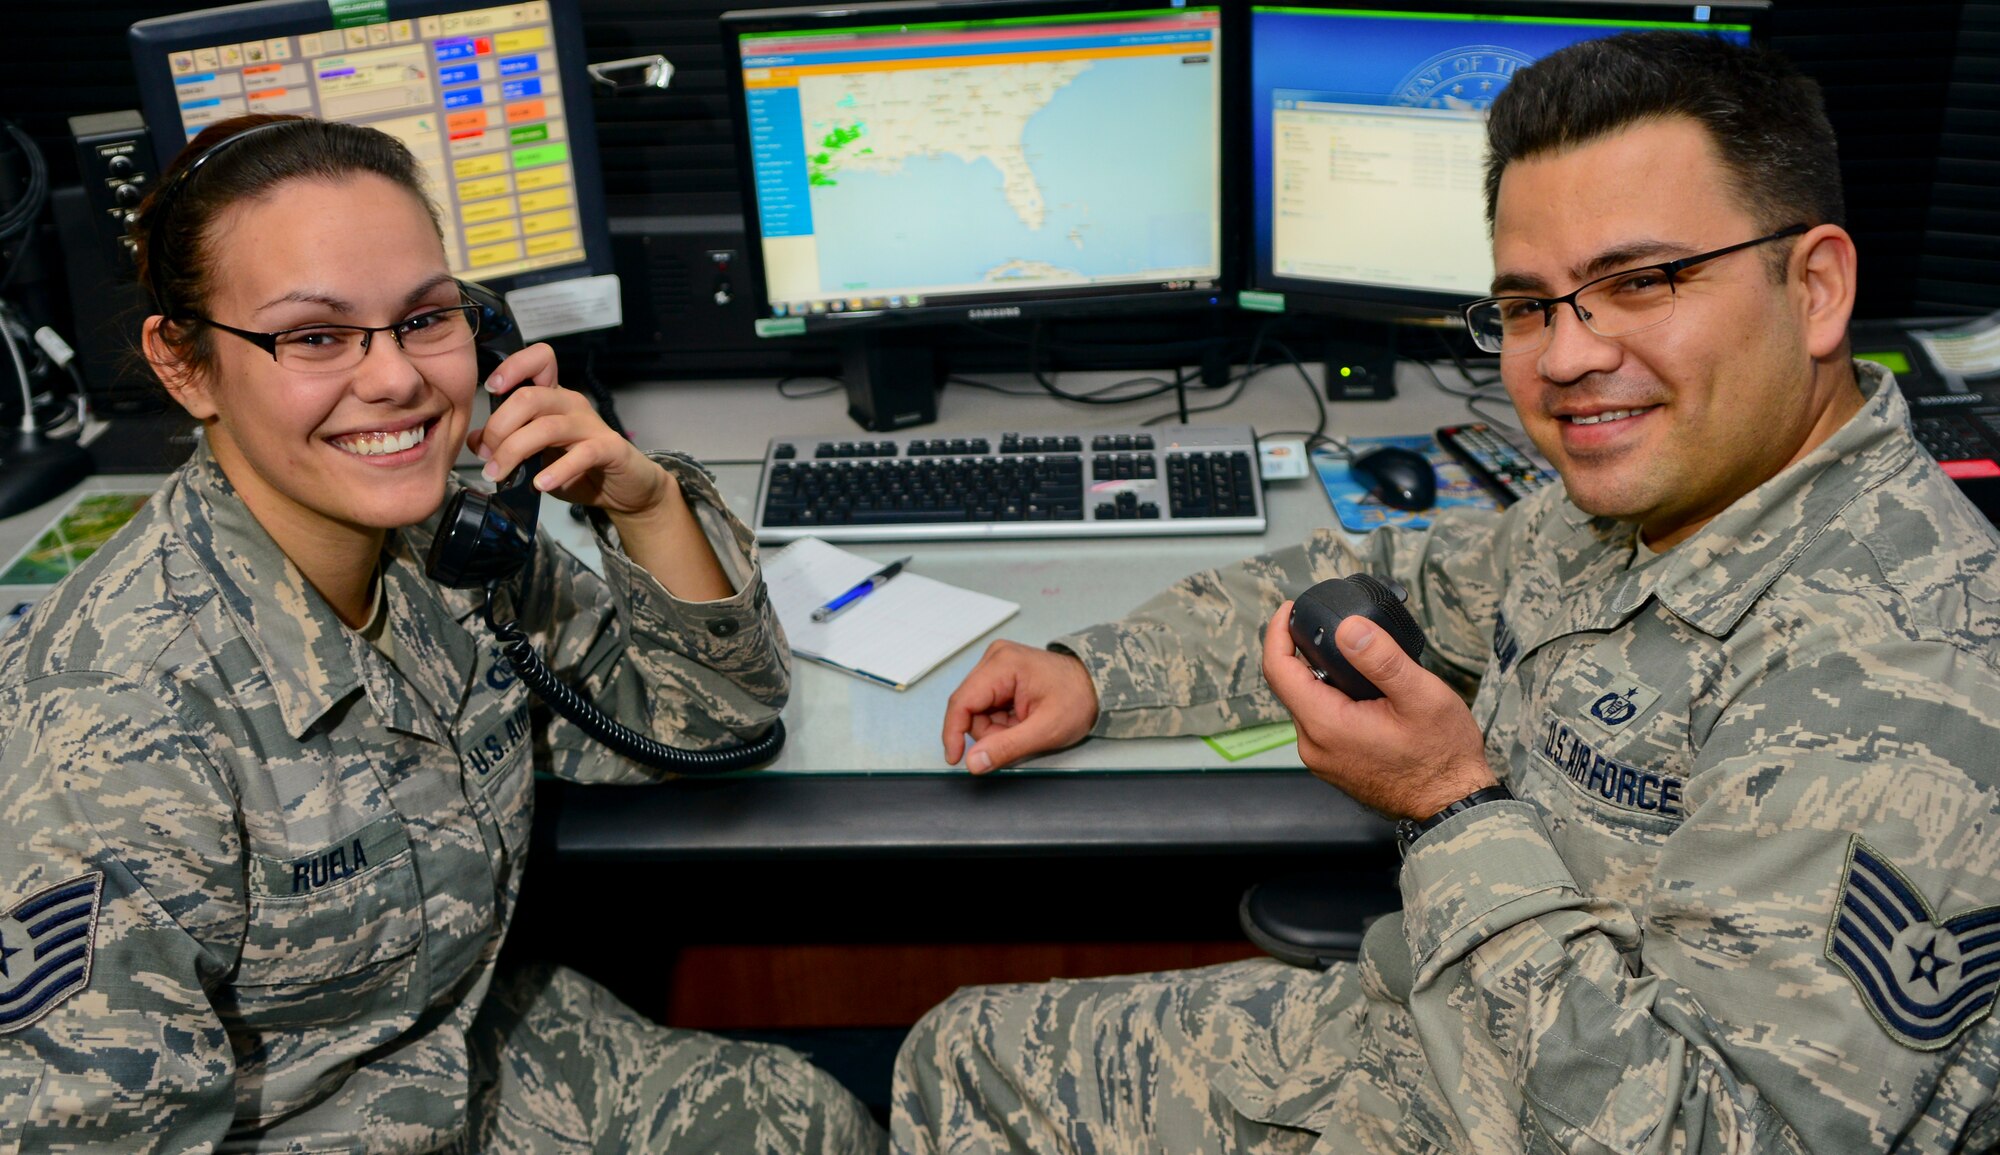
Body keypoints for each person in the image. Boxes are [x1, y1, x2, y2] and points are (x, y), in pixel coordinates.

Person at [901, 31, 2000, 1154]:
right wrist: (1096, 673)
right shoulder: (1651, 506)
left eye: (1637, 283)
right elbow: (1380, 587)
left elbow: (1710, 1133)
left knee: (970, 1083)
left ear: (1812, 288)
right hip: (1460, 1029)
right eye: (1528, 306)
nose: (1565, 356)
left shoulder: (1902, 672)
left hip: (1545, 1109)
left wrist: (1444, 806)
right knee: (958, 1055)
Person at [0, 115, 881, 1153]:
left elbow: (713, 720)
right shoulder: (113, 732)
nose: (397, 381)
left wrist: (638, 505)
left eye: (427, 320)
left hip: (465, 1053)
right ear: (187, 367)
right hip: (300, 1125)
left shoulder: (441, 544)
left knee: (809, 1123)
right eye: (315, 336)